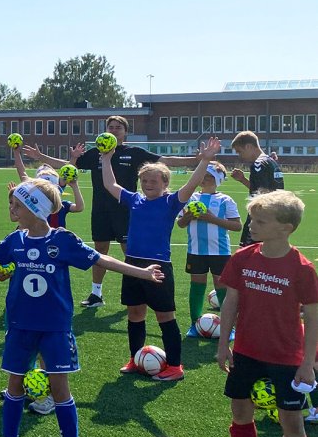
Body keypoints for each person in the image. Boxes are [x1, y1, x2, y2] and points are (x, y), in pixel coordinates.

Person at [0, 179, 165, 437]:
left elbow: (103, 259)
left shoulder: (62, 240)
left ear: (35, 209)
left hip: (55, 328)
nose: (11, 208)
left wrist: (141, 272)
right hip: (20, 326)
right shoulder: (16, 239)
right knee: (14, 385)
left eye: (17, 204)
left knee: (60, 389)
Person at [214, 190, 318, 437]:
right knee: (240, 413)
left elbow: (313, 317)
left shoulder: (302, 268)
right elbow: (231, 302)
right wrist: (223, 343)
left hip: (286, 357)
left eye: (260, 221)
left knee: (292, 422)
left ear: (285, 228)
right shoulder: (243, 258)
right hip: (246, 351)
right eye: (252, 219)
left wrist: (307, 362)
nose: (252, 225)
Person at [24, 116, 197, 309]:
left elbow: (166, 160)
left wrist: (196, 160)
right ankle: (96, 294)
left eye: (118, 128)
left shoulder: (134, 153)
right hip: (101, 211)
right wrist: (41, 158)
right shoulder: (95, 153)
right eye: (110, 127)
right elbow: (67, 165)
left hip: (128, 210)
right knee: (100, 250)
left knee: (130, 251)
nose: (114, 130)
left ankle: (140, 292)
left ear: (125, 132)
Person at [103, 138, 221, 381]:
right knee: (135, 313)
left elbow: (192, 183)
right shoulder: (134, 199)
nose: (147, 184)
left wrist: (205, 160)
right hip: (132, 265)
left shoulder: (171, 202)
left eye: (153, 181)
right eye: (144, 181)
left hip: (158, 267)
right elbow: (110, 184)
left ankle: (175, 366)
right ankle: (136, 359)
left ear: (165, 183)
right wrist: (106, 158)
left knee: (165, 316)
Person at [177, 162, 241, 337]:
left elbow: (237, 226)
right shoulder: (191, 198)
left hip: (220, 252)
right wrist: (188, 216)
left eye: (209, 176)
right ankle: (194, 324)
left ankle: (229, 327)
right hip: (196, 251)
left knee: (222, 286)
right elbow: (180, 224)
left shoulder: (225, 200)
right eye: (202, 175)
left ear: (218, 180)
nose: (204, 179)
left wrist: (212, 219)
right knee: (197, 285)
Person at [231, 130, 285, 247]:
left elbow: (262, 195)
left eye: (239, 151)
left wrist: (256, 219)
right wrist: (243, 179)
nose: (239, 156)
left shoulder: (258, 164)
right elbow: (263, 189)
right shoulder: (271, 162)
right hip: (275, 216)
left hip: (260, 217)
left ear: (249, 146)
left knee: (246, 253)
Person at [12, 146, 84, 230]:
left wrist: (16, 152)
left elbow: (79, 207)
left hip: (52, 240)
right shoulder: (36, 204)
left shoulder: (61, 205)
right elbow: (67, 172)